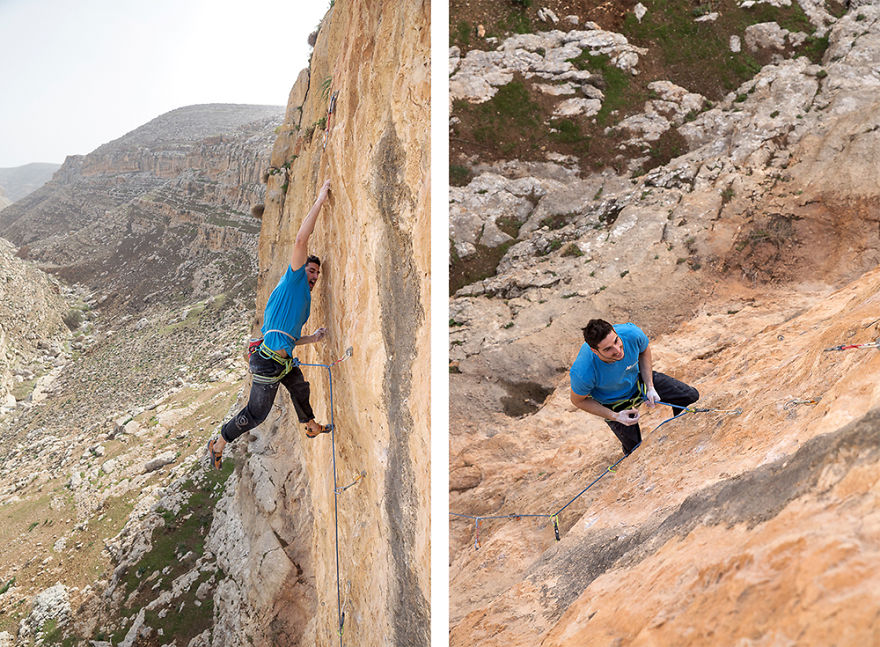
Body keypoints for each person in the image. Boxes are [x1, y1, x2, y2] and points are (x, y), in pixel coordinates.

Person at [208, 179, 333, 469]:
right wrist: (319, 201)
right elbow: (302, 240)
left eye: (317, 274)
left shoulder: (302, 301)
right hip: (267, 364)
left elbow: (289, 338)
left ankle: (311, 424)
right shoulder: (294, 279)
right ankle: (220, 442)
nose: (313, 276)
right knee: (256, 414)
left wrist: (312, 338)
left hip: (281, 361)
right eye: (311, 270)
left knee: (299, 386)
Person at [569, 319, 699, 456]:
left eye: (616, 341)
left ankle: (681, 433)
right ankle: (629, 447)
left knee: (690, 397)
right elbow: (578, 400)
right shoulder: (583, 372)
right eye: (608, 349)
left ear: (615, 332)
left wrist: (650, 386)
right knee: (634, 451)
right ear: (594, 351)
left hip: (638, 381)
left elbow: (644, 350)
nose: (617, 350)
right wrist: (615, 416)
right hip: (613, 402)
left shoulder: (631, 333)